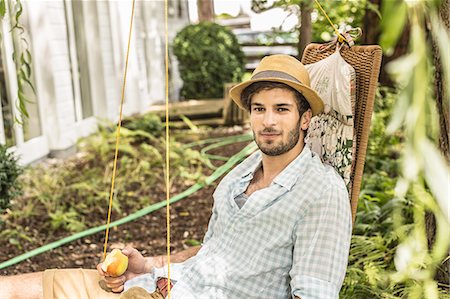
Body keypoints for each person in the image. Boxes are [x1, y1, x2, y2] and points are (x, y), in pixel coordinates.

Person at [1, 54, 352, 299]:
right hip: (158, 286)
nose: (268, 122)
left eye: (282, 109)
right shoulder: (241, 173)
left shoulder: (321, 192)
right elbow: (213, 251)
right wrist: (147, 265)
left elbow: (313, 293)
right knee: (18, 289)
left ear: (305, 119)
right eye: (259, 109)